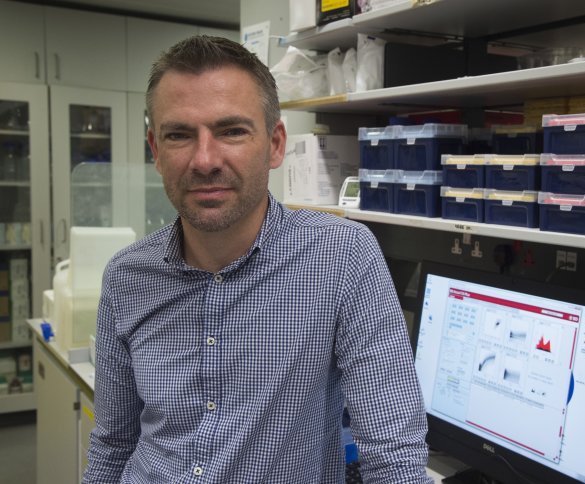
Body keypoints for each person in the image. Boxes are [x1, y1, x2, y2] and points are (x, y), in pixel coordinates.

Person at [83, 35, 432, 483]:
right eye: (179, 135)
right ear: (155, 149)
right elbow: (112, 446)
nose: (205, 160)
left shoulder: (342, 259)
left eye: (231, 131)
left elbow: (393, 458)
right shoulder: (126, 276)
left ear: (275, 144)